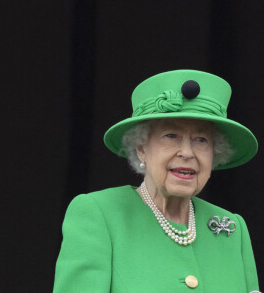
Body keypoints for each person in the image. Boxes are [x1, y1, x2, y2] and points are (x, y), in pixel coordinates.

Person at [53, 70, 260, 292]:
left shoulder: (231, 228)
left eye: (201, 140)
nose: (187, 152)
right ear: (142, 148)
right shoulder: (98, 215)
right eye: (171, 136)